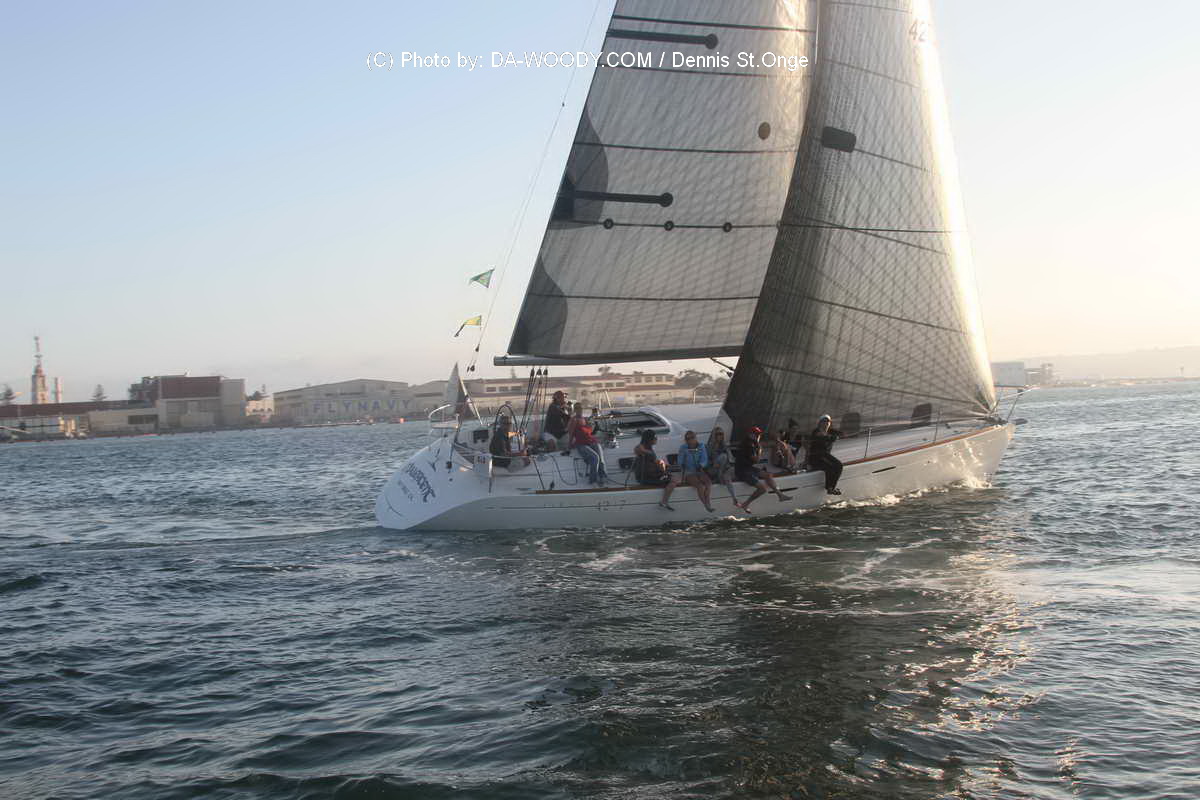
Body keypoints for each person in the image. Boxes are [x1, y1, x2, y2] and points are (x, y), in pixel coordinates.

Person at [734, 426, 791, 513]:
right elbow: (756, 460)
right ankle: (746, 504)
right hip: (742, 471)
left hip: (748, 468)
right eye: (756, 434)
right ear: (750, 434)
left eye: (759, 434)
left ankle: (780, 495)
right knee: (762, 489)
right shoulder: (749, 444)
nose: (758, 436)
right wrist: (760, 450)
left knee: (768, 475)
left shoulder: (752, 442)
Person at [633, 429, 677, 510]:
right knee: (674, 480)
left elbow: (653, 460)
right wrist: (645, 451)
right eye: (655, 437)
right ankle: (664, 502)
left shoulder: (648, 448)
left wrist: (663, 464)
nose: (657, 439)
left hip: (649, 475)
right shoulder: (644, 449)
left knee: (670, 476)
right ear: (650, 439)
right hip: (648, 477)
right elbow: (637, 449)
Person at [568, 403, 607, 485]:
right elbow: (571, 434)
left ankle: (603, 477)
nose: (579, 410)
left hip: (592, 441)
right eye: (577, 408)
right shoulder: (574, 420)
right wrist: (569, 446)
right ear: (575, 410)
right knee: (595, 458)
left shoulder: (585, 419)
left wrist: (591, 423)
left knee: (600, 457)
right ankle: (593, 480)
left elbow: (590, 431)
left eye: (580, 408)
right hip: (581, 444)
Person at [678, 430, 715, 512]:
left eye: (692, 437)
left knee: (708, 483)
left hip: (699, 470)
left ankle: (708, 501)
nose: (690, 440)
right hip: (689, 472)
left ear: (695, 438)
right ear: (686, 440)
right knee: (699, 485)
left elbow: (704, 459)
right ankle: (706, 505)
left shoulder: (701, 446)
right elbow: (680, 461)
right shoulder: (683, 448)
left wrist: (701, 465)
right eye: (688, 439)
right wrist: (683, 462)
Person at [809, 414, 843, 494]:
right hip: (817, 457)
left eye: (828, 421)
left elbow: (841, 433)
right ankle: (831, 488)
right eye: (824, 421)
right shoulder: (816, 431)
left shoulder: (830, 431)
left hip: (824, 457)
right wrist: (831, 437)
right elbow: (821, 437)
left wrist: (837, 436)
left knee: (830, 468)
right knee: (838, 465)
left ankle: (830, 488)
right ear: (820, 423)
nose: (826, 423)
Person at [706, 426, 740, 505]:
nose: (720, 436)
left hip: (723, 468)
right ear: (714, 435)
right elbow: (706, 461)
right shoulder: (709, 446)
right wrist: (713, 463)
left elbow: (731, 459)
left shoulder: (724, 445)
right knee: (723, 456)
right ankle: (719, 475)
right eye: (718, 434)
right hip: (713, 468)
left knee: (727, 478)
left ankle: (734, 498)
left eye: (721, 434)